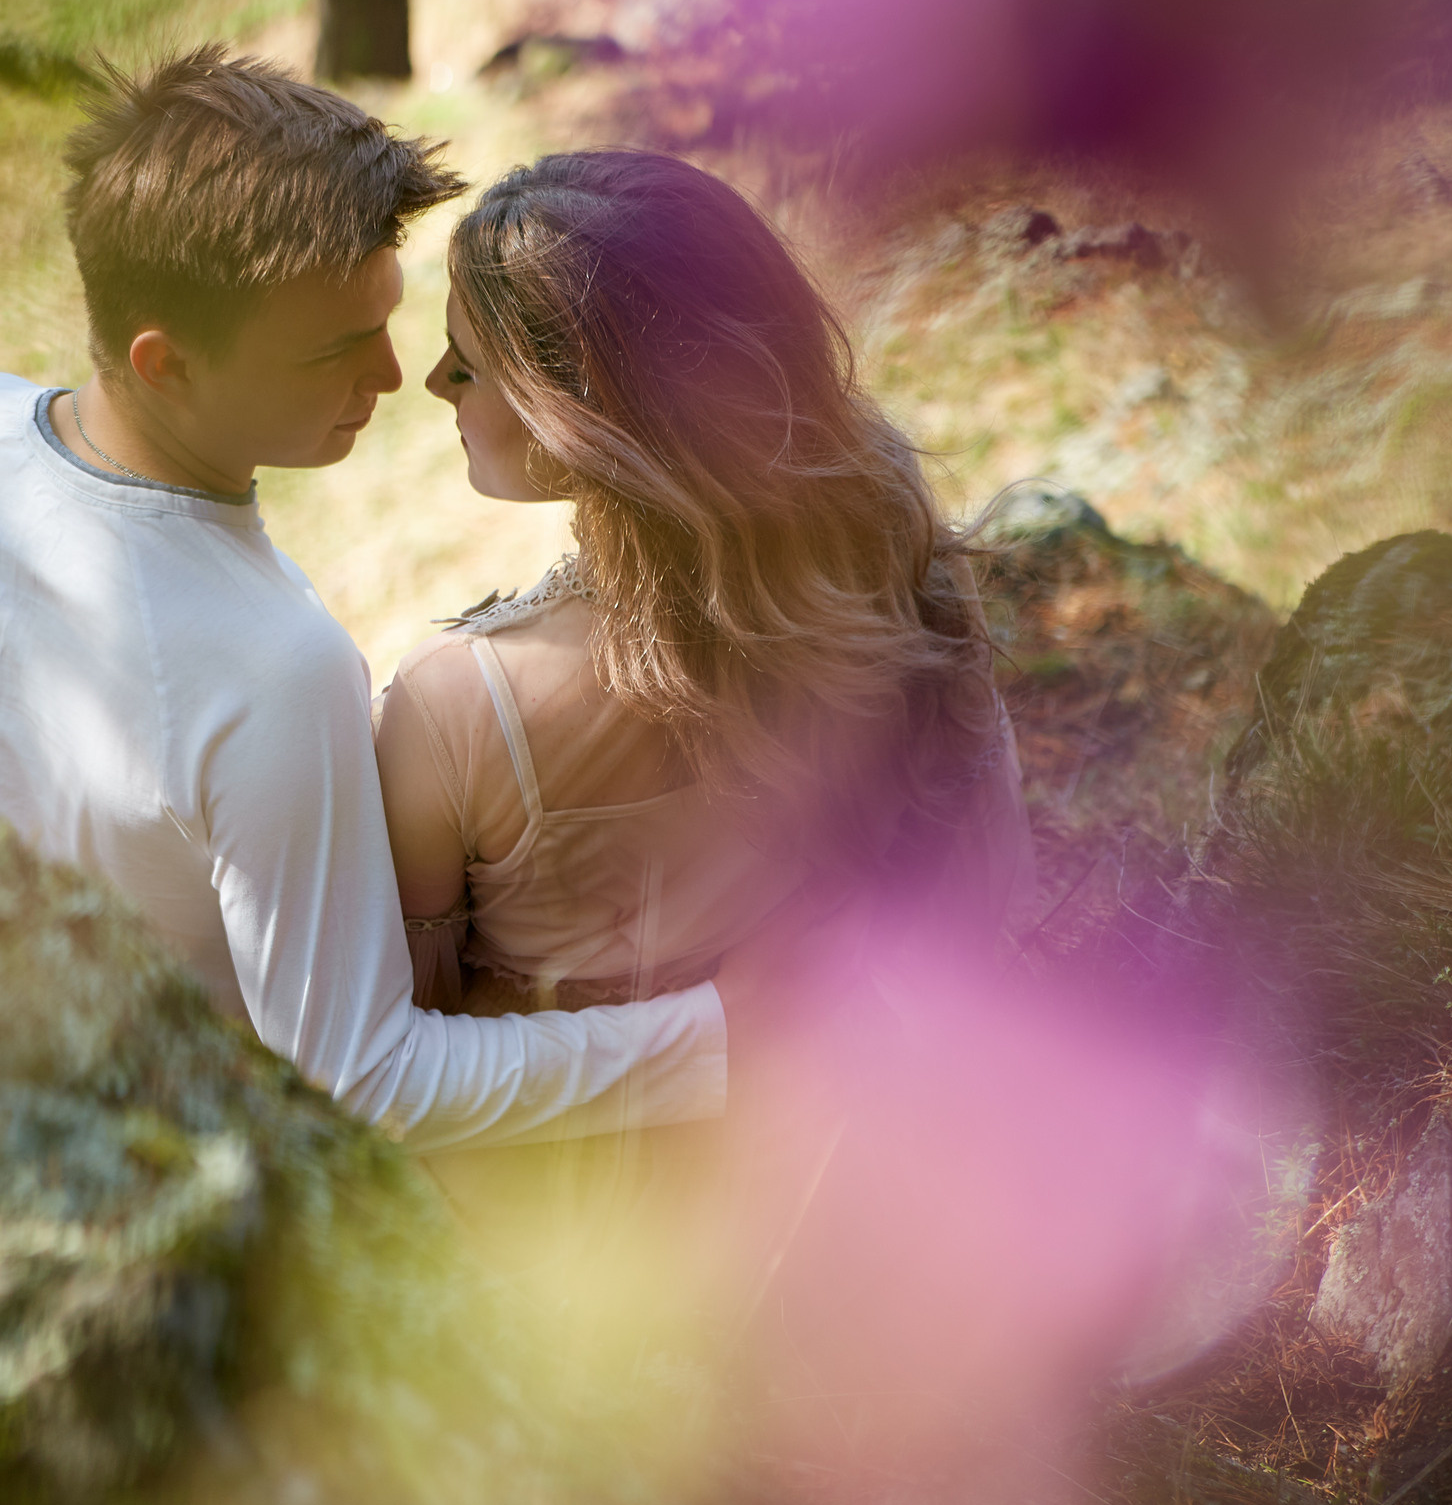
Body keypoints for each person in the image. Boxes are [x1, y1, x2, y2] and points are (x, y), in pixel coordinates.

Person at [0, 50, 780, 1154]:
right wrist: (717, 1039)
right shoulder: (273, 669)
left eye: (384, 319)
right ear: (165, 365)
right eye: (338, 349)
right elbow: (366, 1081)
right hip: (138, 1183)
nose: (395, 377)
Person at [377, 148, 1033, 1265]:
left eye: (468, 362)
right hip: (861, 1188)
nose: (435, 383)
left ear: (576, 411)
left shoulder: (458, 705)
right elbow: (984, 879)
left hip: (582, 1268)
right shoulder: (881, 551)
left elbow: (400, 1080)